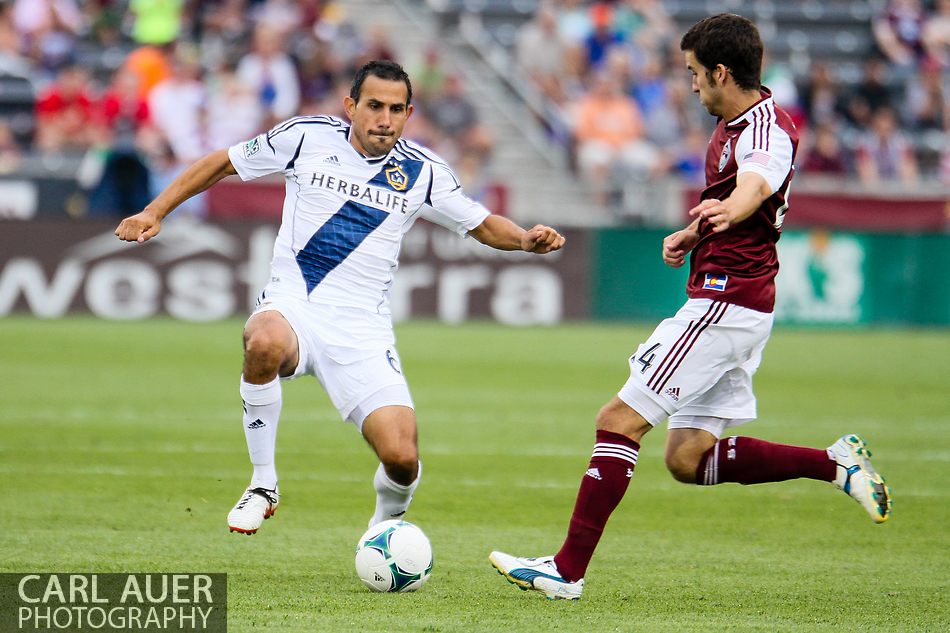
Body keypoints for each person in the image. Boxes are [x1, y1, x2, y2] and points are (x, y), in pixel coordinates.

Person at [489, 13, 892, 601]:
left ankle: (565, 571)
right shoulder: (736, 123)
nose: (692, 86)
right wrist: (695, 231)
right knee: (687, 457)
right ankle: (836, 464)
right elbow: (740, 194)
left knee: (618, 420)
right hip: (741, 302)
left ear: (723, 72)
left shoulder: (763, 131)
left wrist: (733, 209)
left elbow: (756, 181)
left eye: (695, 75)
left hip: (726, 303)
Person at [114, 60, 565, 536]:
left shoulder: (424, 172)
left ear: (409, 113)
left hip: (361, 330)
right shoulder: (307, 137)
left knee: (402, 459)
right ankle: (263, 483)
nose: (384, 119)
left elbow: (480, 223)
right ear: (351, 106)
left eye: (395, 109)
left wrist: (523, 240)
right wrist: (154, 211)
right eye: (373, 106)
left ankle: (384, 528)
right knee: (263, 340)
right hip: (295, 304)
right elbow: (221, 162)